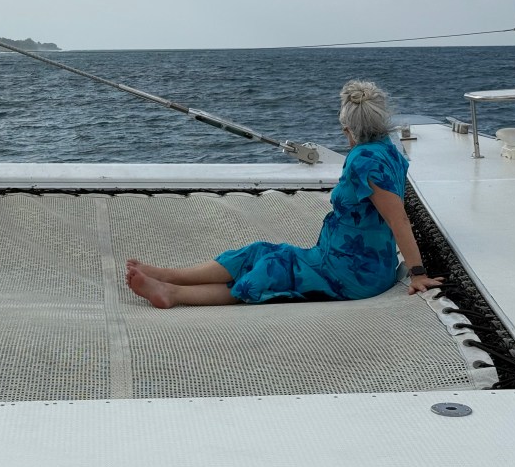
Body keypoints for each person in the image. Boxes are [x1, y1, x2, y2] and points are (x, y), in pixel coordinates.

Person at [126, 79, 444, 308]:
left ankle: (173, 293)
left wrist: (417, 274)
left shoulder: (366, 161)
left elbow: (398, 219)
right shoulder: (388, 150)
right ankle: (170, 276)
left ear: (349, 128)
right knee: (258, 251)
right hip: (340, 258)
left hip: (352, 272)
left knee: (271, 268)